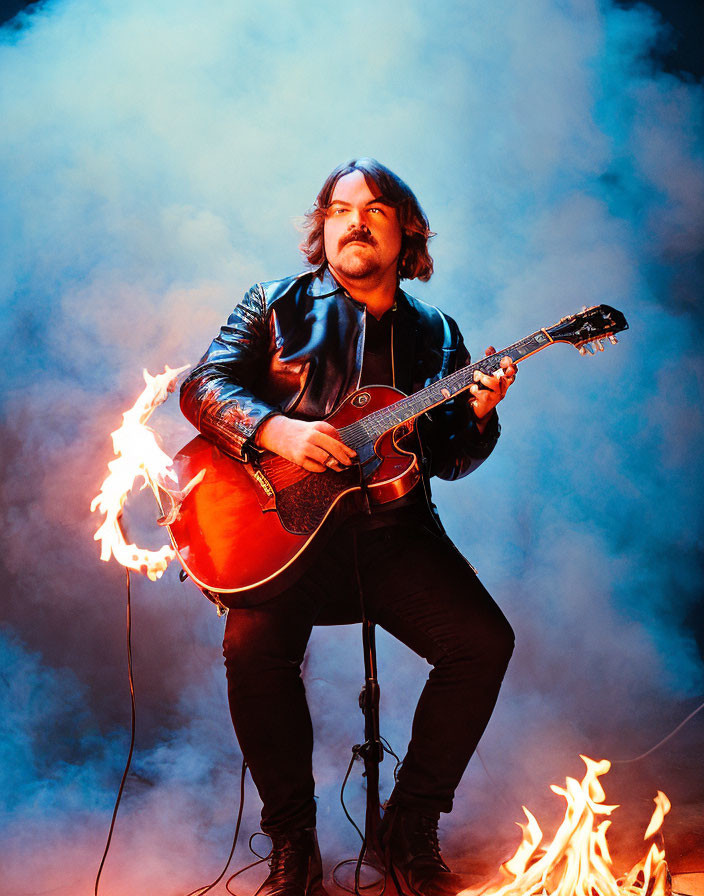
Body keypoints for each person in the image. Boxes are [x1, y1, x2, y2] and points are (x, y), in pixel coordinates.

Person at [180, 158, 517, 896]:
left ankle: (409, 826)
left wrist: (479, 415)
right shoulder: (273, 303)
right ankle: (292, 843)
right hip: (281, 527)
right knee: (253, 649)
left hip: (392, 530)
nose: (353, 220)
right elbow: (201, 387)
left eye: (373, 208)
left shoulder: (436, 333)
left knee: (483, 643)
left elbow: (448, 459)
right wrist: (279, 433)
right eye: (337, 208)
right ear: (321, 227)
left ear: (407, 229)